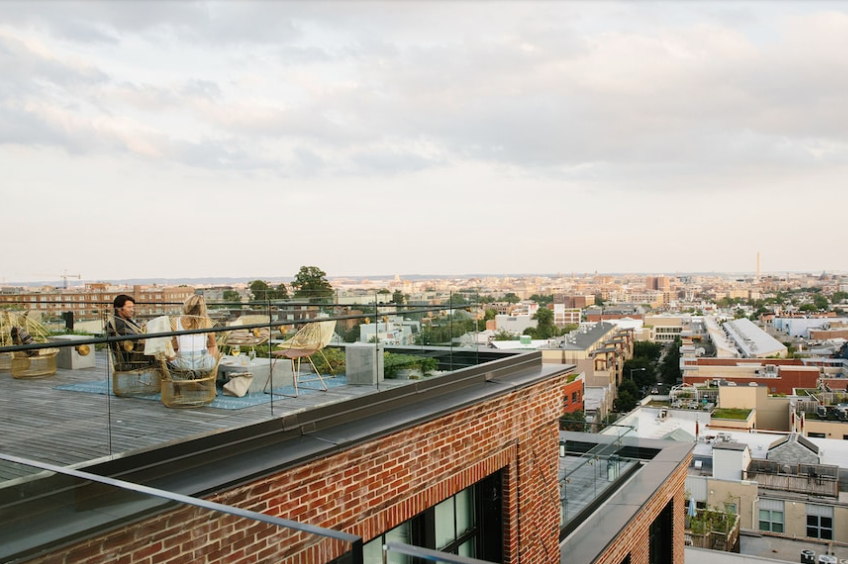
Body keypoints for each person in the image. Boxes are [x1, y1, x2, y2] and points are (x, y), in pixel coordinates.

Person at [170, 295, 218, 372]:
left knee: (171, 353)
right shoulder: (206, 321)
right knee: (214, 346)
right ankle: (203, 371)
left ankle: (189, 373)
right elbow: (213, 344)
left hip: (183, 364)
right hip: (204, 364)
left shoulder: (175, 321)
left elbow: (173, 346)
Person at [107, 294, 154, 369]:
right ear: (118, 308)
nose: (132, 310)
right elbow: (134, 338)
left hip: (137, 355)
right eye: (129, 307)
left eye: (133, 307)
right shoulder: (116, 323)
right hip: (131, 360)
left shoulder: (125, 320)